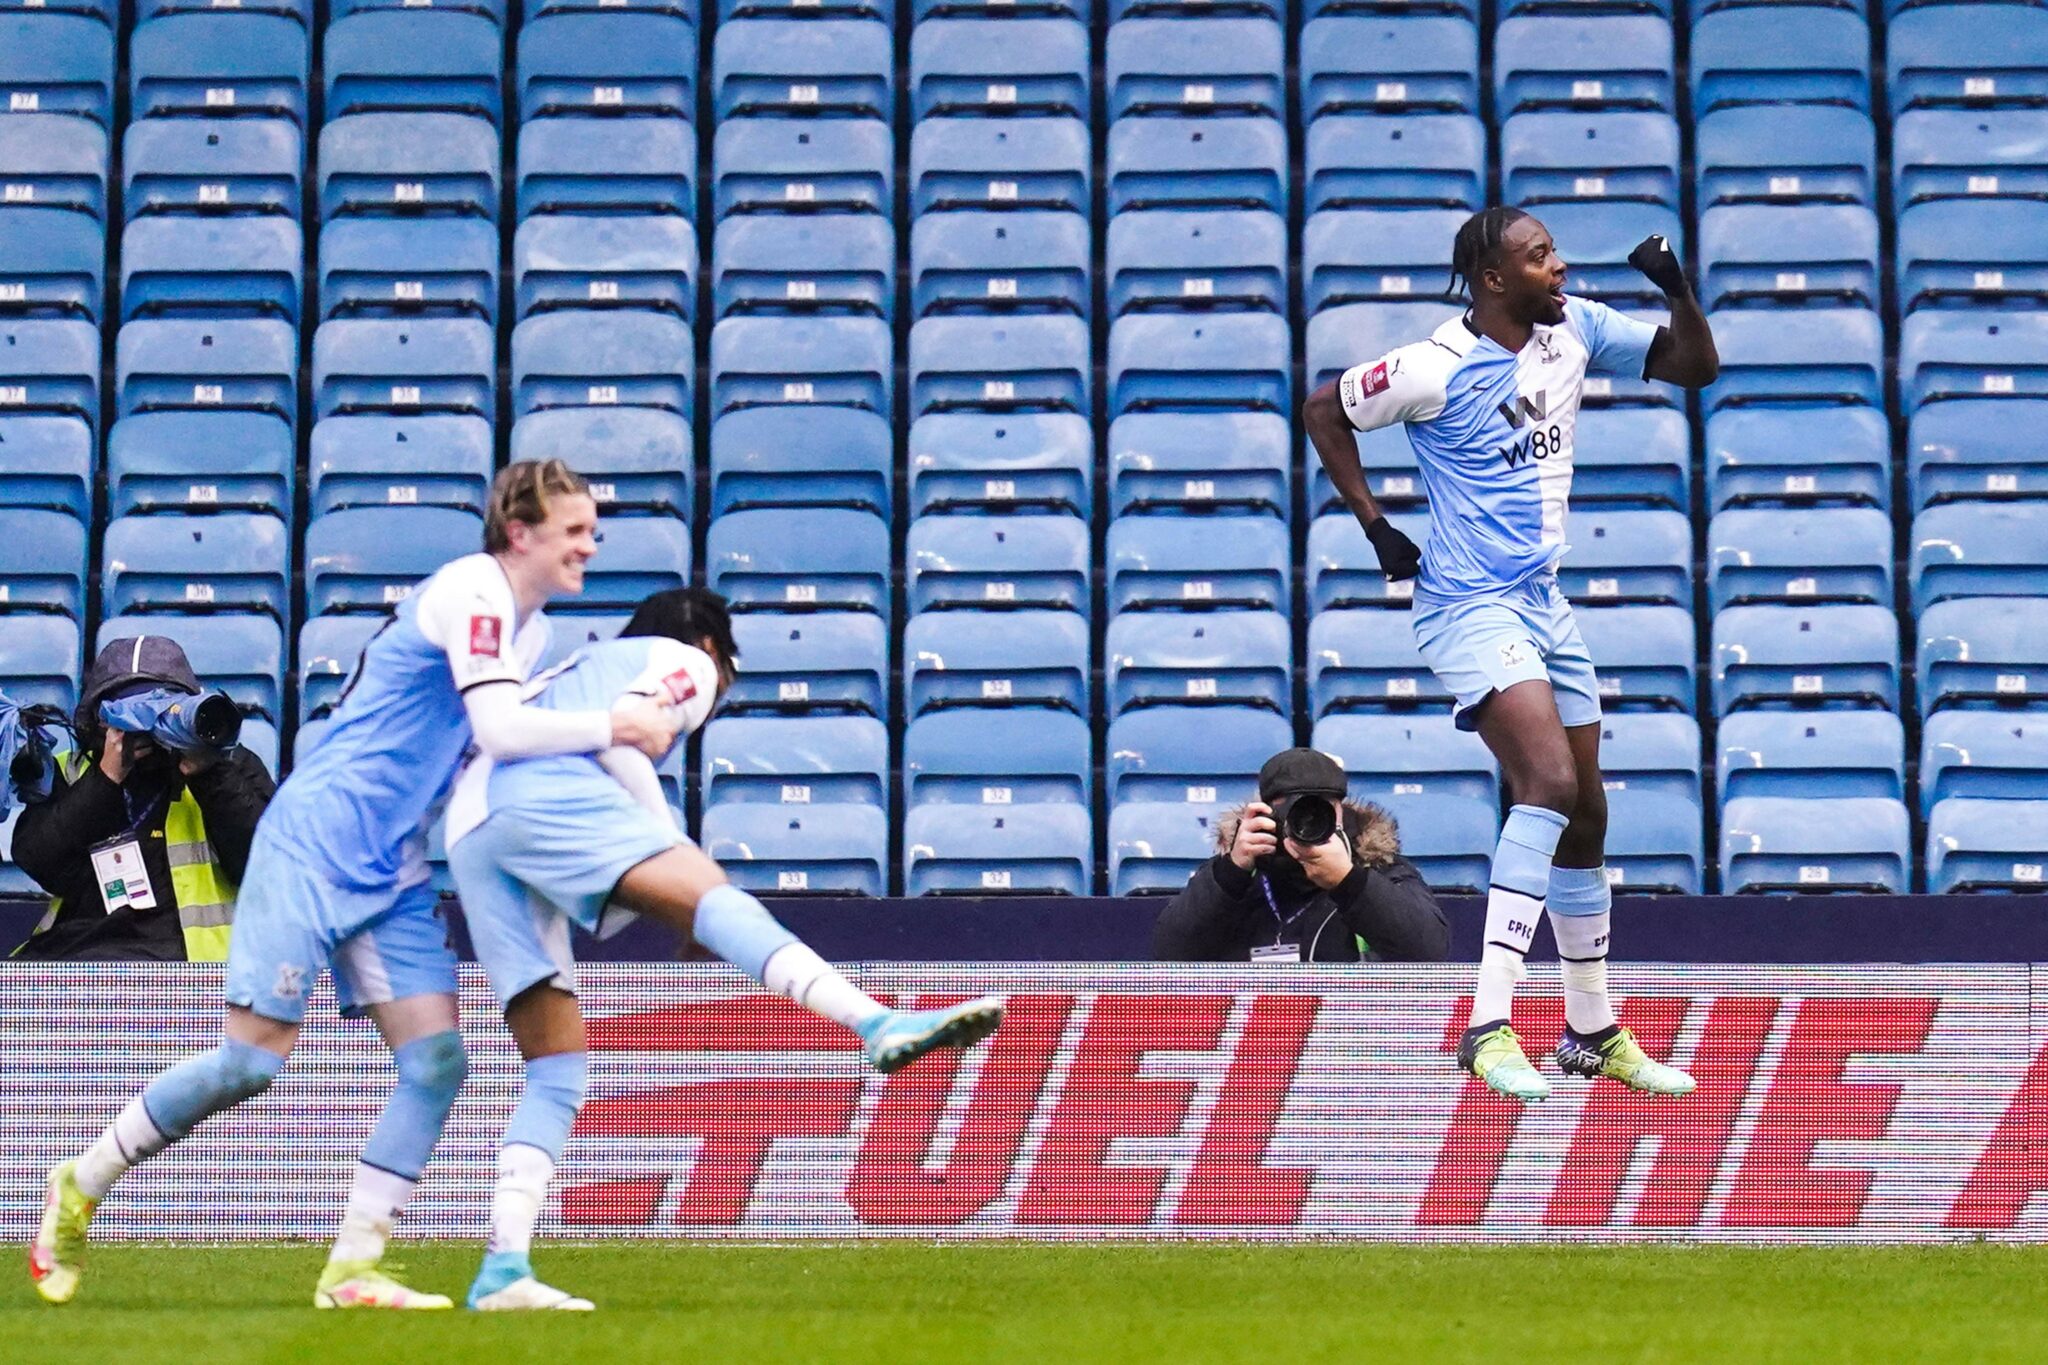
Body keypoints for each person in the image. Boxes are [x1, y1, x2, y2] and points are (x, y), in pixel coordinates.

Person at [31, 460, 681, 1311]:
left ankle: (353, 1267)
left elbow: (491, 754)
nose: (592, 543)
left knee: (438, 1061)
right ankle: (79, 1182)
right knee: (250, 1063)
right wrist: (613, 724)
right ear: (520, 532)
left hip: (394, 864)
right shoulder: (471, 591)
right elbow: (499, 726)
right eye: (576, 528)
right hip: (318, 842)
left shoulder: (532, 636)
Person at [445, 587, 1002, 1311]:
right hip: (538, 791)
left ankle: (503, 1269)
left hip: (470, 825)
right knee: (713, 895)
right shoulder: (688, 663)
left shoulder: (581, 665)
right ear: (714, 648)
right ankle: (876, 1021)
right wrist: (678, 863)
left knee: (556, 1067)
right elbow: (625, 737)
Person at [1302, 207, 1720, 1103]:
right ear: (1493, 278)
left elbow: (1695, 366)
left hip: (1542, 600)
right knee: (1549, 784)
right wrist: (1376, 526)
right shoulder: (1429, 367)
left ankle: (1591, 1029)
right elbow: (1321, 410)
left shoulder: (1577, 329)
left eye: (1557, 252)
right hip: (1466, 602)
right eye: (1540, 257)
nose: (1560, 267)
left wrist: (1677, 291)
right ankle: (1488, 1025)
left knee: (1588, 815)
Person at [11, 636, 274, 963]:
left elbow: (267, 867)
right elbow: (41, 863)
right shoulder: (71, 770)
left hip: (199, 967)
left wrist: (209, 774)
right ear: (100, 720)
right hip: (83, 955)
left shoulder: (232, 764)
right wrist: (105, 779)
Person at [1152, 748, 1447, 964]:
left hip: (1345, 1037)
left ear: (1341, 813)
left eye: (1320, 811)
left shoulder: (1379, 869)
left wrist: (1349, 882)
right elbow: (1169, 953)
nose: (1305, 823)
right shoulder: (1240, 871)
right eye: (1292, 811)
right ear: (1266, 813)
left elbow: (1429, 951)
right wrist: (1232, 871)